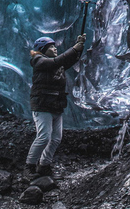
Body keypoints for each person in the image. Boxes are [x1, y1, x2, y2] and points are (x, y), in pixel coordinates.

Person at [25, 34, 85, 178]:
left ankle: (44, 166)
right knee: (44, 137)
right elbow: (58, 61)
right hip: (42, 105)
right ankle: (29, 166)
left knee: (56, 138)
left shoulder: (56, 64)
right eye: (51, 47)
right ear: (42, 49)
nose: (55, 48)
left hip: (56, 105)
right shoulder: (38, 60)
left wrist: (79, 47)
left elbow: (69, 60)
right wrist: (74, 48)